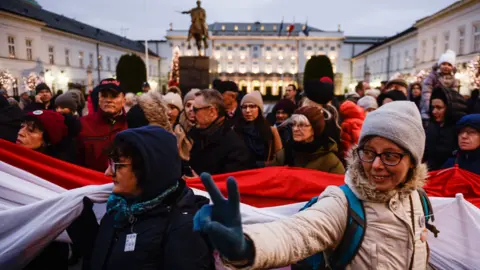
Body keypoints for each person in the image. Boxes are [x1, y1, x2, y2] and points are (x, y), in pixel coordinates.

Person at [194, 101, 436, 270]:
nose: (376, 165)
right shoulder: (344, 203)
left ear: (412, 161)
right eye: (369, 152)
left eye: (391, 156)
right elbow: (296, 233)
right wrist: (246, 247)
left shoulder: (419, 199)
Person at [67, 125, 214, 269]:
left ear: (148, 169)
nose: (108, 172)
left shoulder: (183, 228)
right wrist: (81, 222)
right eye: (110, 163)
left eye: (118, 165)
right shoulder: (118, 208)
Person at [188, 89, 252, 175]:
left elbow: (231, 182)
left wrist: (201, 182)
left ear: (211, 111)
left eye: (195, 109)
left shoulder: (234, 145)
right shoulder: (196, 135)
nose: (191, 113)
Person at [271, 106, 345, 174]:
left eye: (302, 125)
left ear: (315, 129)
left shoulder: (329, 160)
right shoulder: (285, 153)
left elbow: (338, 184)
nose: (295, 129)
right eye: (293, 124)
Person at [77, 79, 128, 172]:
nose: (108, 100)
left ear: (124, 100)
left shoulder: (133, 124)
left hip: (125, 183)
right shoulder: (83, 123)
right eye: (104, 96)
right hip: (93, 182)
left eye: (114, 96)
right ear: (99, 99)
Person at [234, 91, 282, 168]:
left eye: (252, 106)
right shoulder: (235, 130)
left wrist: (264, 164)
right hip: (241, 173)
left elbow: (279, 158)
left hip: (263, 173)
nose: (247, 110)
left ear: (259, 109)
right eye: (244, 107)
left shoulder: (270, 130)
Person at [424, 87, 468, 171]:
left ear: (450, 108)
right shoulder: (432, 126)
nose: (434, 111)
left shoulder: (460, 129)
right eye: (432, 107)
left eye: (439, 108)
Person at [420, 50, 459, 127]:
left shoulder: (454, 80)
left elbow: (454, 94)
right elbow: (426, 91)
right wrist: (429, 107)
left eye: (449, 65)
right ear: (439, 65)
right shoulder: (432, 76)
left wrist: (451, 107)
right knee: (430, 126)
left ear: (452, 67)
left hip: (445, 108)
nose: (446, 66)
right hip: (431, 105)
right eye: (443, 64)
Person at [173, 89, 200, 173]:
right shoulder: (177, 130)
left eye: (195, 106)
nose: (191, 109)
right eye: (188, 105)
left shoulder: (206, 130)